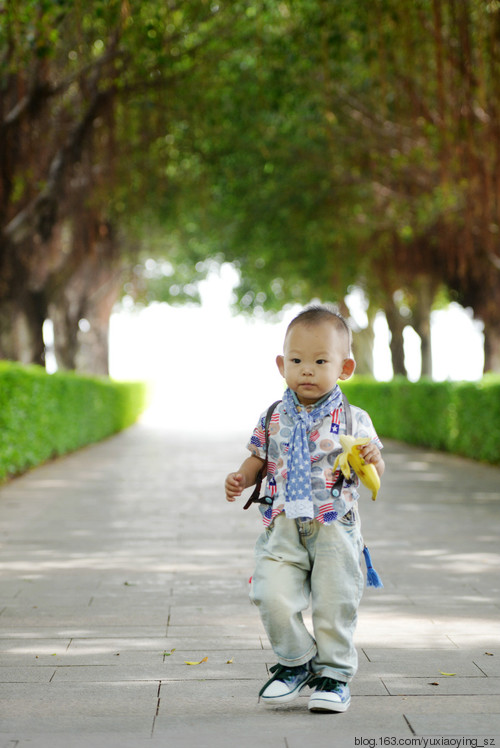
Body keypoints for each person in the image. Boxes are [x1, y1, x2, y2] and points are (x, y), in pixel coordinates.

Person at [225, 305, 385, 713]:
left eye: (320, 361)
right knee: (269, 592)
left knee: (335, 603)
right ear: (282, 365)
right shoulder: (272, 416)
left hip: (334, 525)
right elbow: (257, 457)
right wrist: (241, 477)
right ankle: (295, 662)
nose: (307, 370)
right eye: (296, 361)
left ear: (345, 367)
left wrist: (371, 458)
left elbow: (375, 469)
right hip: (281, 524)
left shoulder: (353, 419)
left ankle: (332, 675)